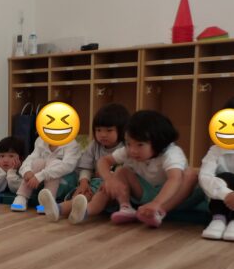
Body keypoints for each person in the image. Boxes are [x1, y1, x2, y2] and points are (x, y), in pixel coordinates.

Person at [67, 110, 199, 228]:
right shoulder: (129, 151)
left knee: (191, 174)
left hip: (172, 197)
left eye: (140, 145)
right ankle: (122, 208)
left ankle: (159, 211)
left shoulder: (171, 153)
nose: (133, 150)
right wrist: (109, 179)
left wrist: (157, 203)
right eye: (129, 143)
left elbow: (174, 179)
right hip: (145, 194)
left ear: (158, 142)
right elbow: (104, 161)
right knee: (121, 171)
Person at [38, 103, 129, 223]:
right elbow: (86, 167)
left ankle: (78, 211)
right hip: (93, 184)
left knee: (94, 195)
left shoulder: (125, 148)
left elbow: (124, 172)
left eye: (109, 130)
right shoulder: (95, 145)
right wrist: (84, 183)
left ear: (122, 130)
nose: (103, 134)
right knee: (81, 194)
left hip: (112, 190)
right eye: (98, 130)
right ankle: (57, 209)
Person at [11, 134, 81, 212]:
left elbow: (67, 166)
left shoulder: (71, 143)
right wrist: (26, 171)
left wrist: (40, 176)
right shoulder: (40, 140)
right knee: (38, 162)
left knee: (55, 163)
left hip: (65, 181)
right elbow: (31, 158)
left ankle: (48, 202)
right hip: (40, 181)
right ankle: (22, 196)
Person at [198, 100, 234, 240]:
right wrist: (226, 194)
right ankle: (218, 219)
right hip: (220, 201)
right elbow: (205, 176)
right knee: (225, 176)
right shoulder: (216, 150)